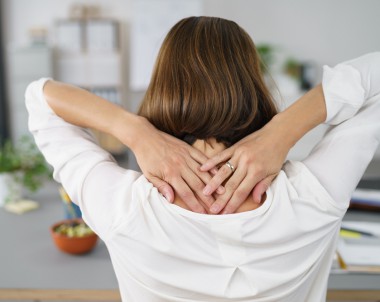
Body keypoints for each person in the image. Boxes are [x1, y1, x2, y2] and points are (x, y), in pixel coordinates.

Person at [25, 16, 380, 301]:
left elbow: (40, 99)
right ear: (251, 83)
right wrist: (282, 131)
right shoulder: (314, 197)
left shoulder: (123, 209)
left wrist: (136, 131)